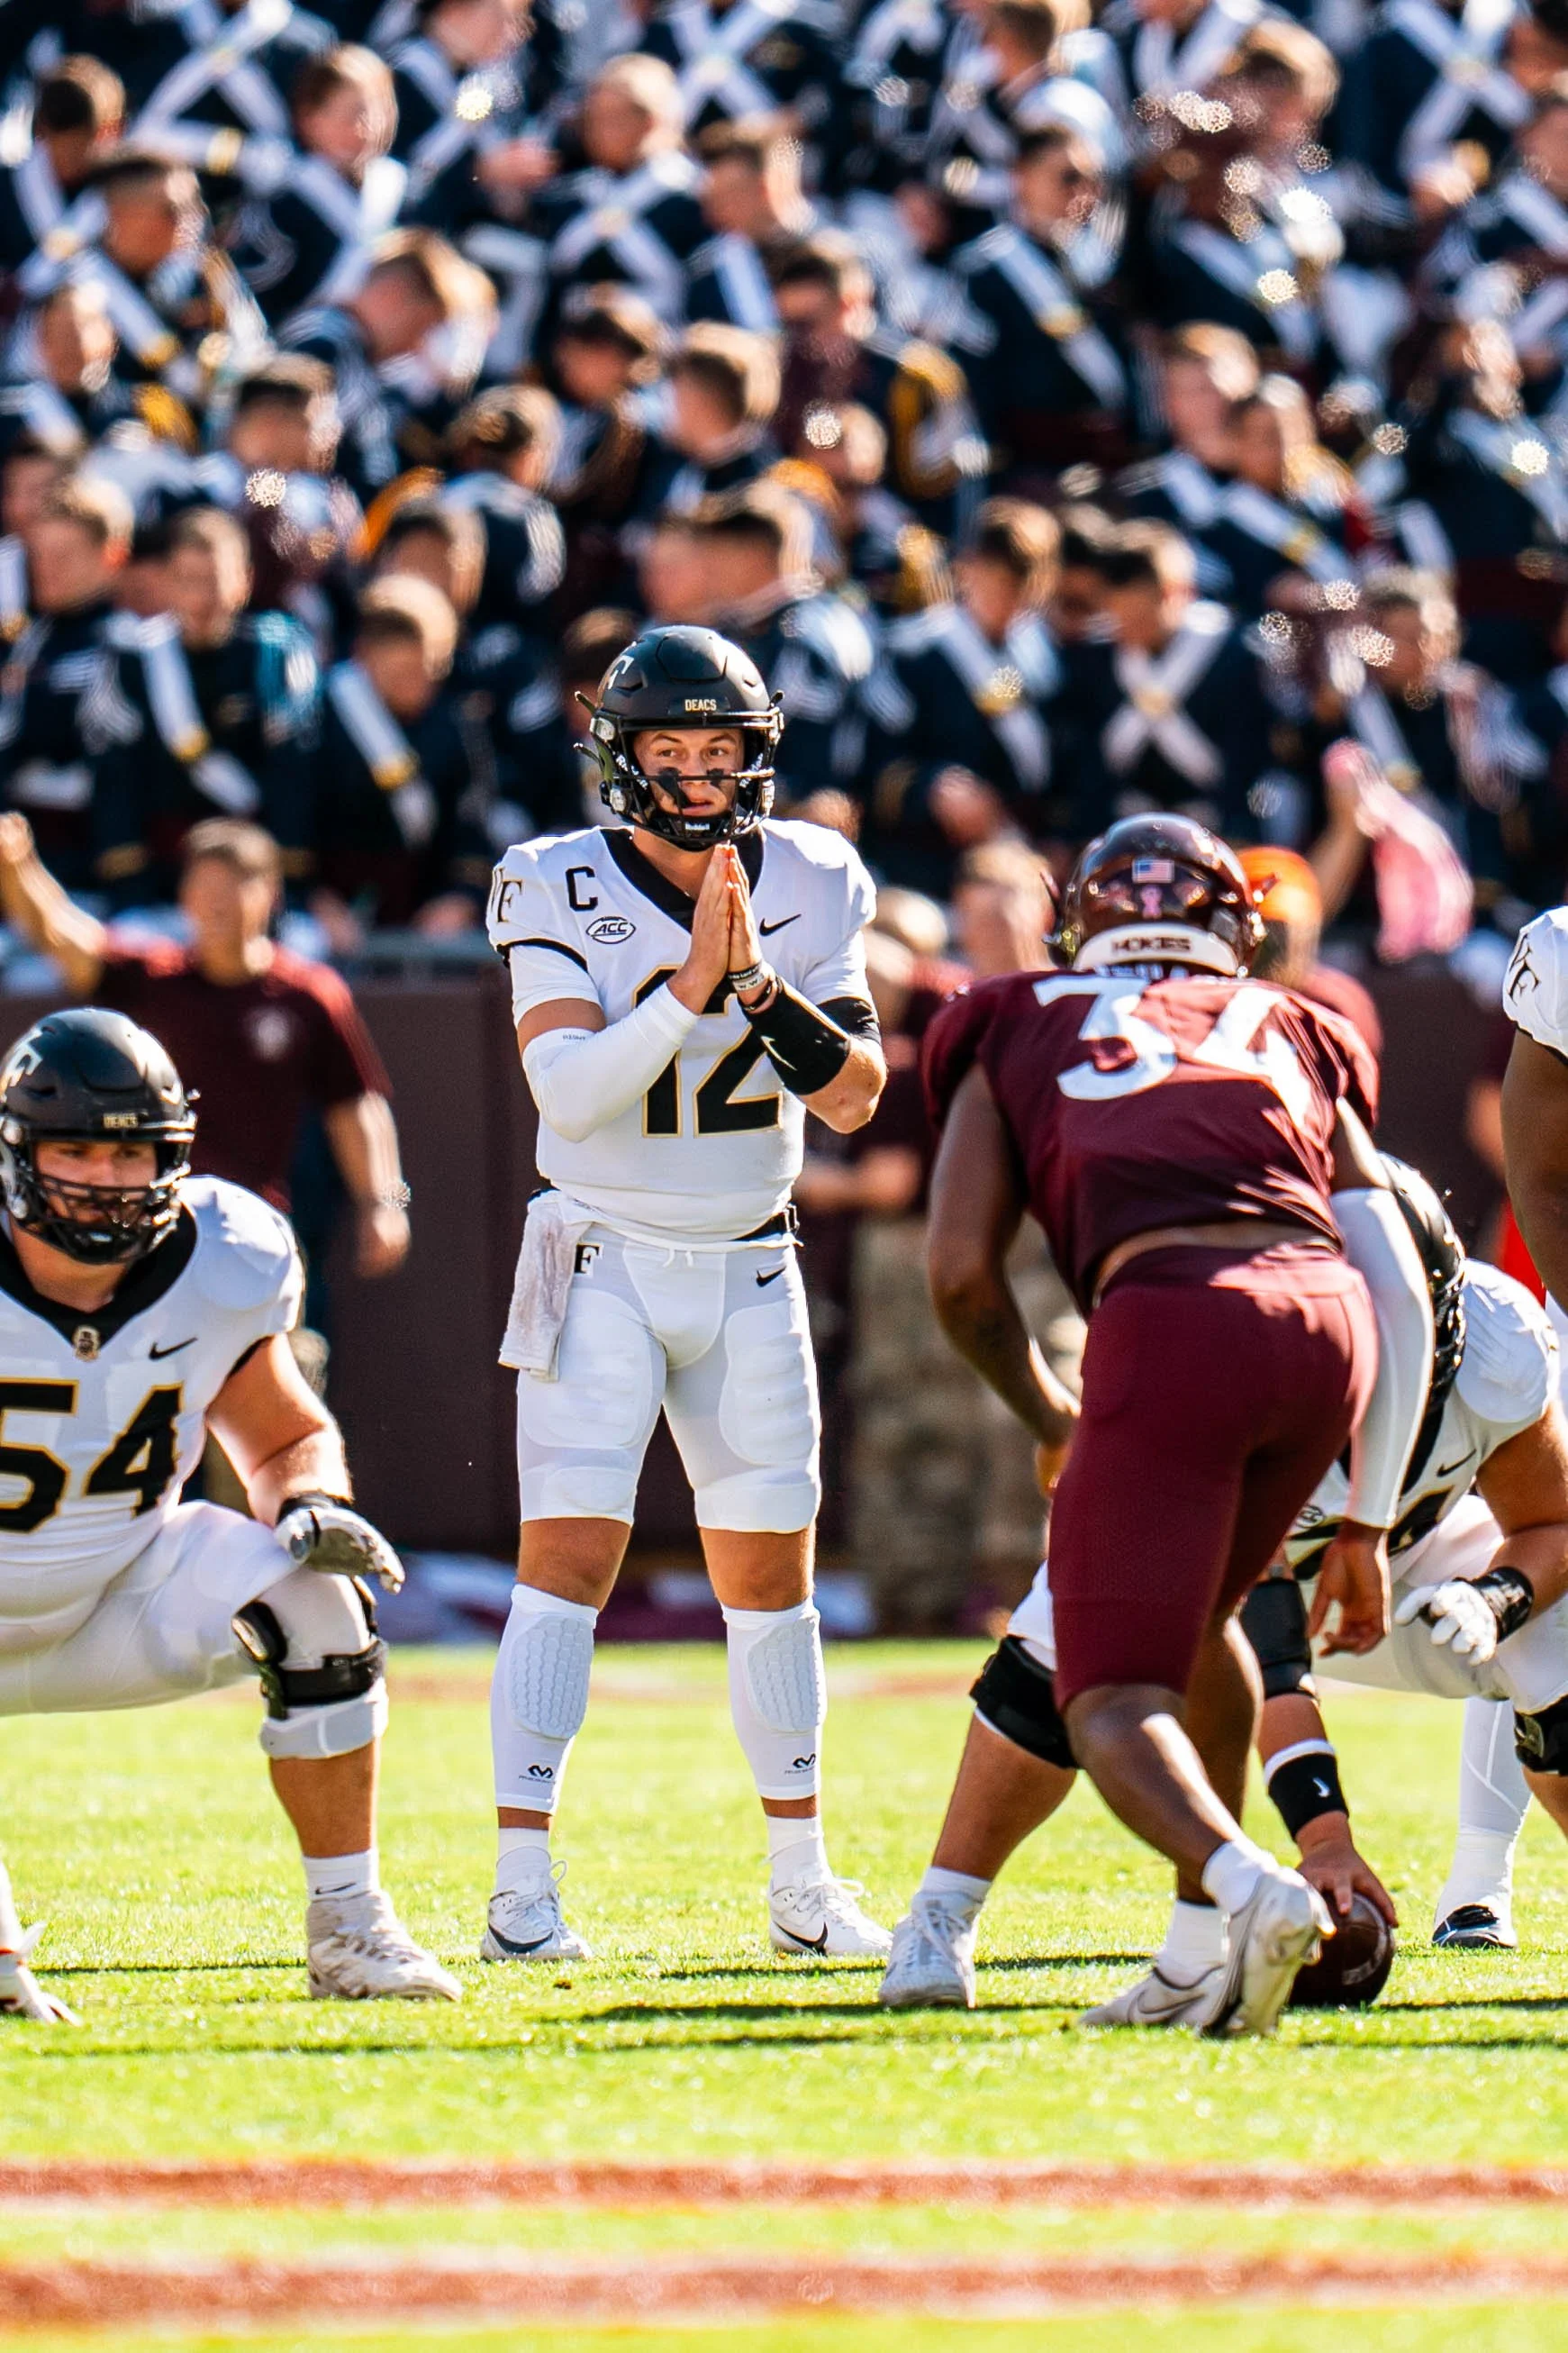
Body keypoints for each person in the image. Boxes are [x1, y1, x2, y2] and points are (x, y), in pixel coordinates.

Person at [907, 812, 1433, 2034]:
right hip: (1325, 1331)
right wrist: (1365, 1517)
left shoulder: (1015, 1012)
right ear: (1235, 926)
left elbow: (958, 1275)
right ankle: (1199, 1947)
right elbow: (1395, 1276)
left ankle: (1245, 1888)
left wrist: (1048, 1413)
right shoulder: (1291, 1019)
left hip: (1172, 1318)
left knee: (1104, 1692)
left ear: (1075, 920)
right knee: (1203, 1625)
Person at [878, 1160, 1568, 2003]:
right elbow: (1261, 1647)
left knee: (1561, 1620)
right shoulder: (1226, 1360)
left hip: (1405, 1576)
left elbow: (1550, 1525)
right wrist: (1323, 1836)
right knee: (1056, 1645)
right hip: (1208, 1580)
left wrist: (1495, 1600)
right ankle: (942, 1913)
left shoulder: (1495, 1342)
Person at [483, 621, 890, 1965]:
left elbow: (854, 1094)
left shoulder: (815, 873)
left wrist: (755, 987)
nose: (700, 776)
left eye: (721, 750)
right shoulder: (549, 876)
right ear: (623, 756)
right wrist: (689, 989)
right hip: (598, 1250)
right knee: (567, 1564)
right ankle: (520, 1888)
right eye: (672, 749)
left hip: (751, 1258)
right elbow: (569, 1093)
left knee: (773, 1580)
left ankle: (801, 1883)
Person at [0, 1007, 454, 2021]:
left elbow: (282, 1429)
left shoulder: (224, 1256)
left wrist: (312, 1499)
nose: (106, 1179)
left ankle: (350, 1928)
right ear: (19, 1151)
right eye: (77, 1150)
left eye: (132, 1153)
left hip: (113, 1594)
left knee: (316, 1594)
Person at [0, 814, 409, 1276]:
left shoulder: (308, 995)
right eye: (204, 886)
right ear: (185, 896)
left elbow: (358, 1107)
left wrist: (388, 1203)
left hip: (251, 1232)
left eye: (233, 886)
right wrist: (18, 863)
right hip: (148, 1233)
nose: (216, 903)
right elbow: (59, 934)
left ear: (270, 893)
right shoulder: (153, 980)